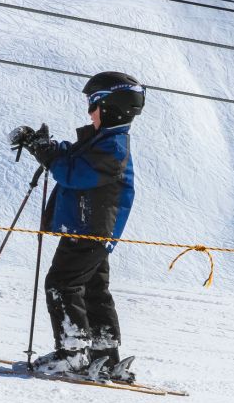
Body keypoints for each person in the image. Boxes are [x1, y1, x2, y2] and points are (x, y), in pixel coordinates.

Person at [8, 71, 145, 381]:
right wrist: (45, 147)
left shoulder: (113, 149)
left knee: (62, 284)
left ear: (113, 107)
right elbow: (71, 157)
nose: (89, 111)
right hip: (92, 230)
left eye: (94, 104)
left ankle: (72, 354)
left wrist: (49, 156)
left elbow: (76, 174)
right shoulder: (105, 141)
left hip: (88, 230)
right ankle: (104, 355)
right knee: (94, 291)